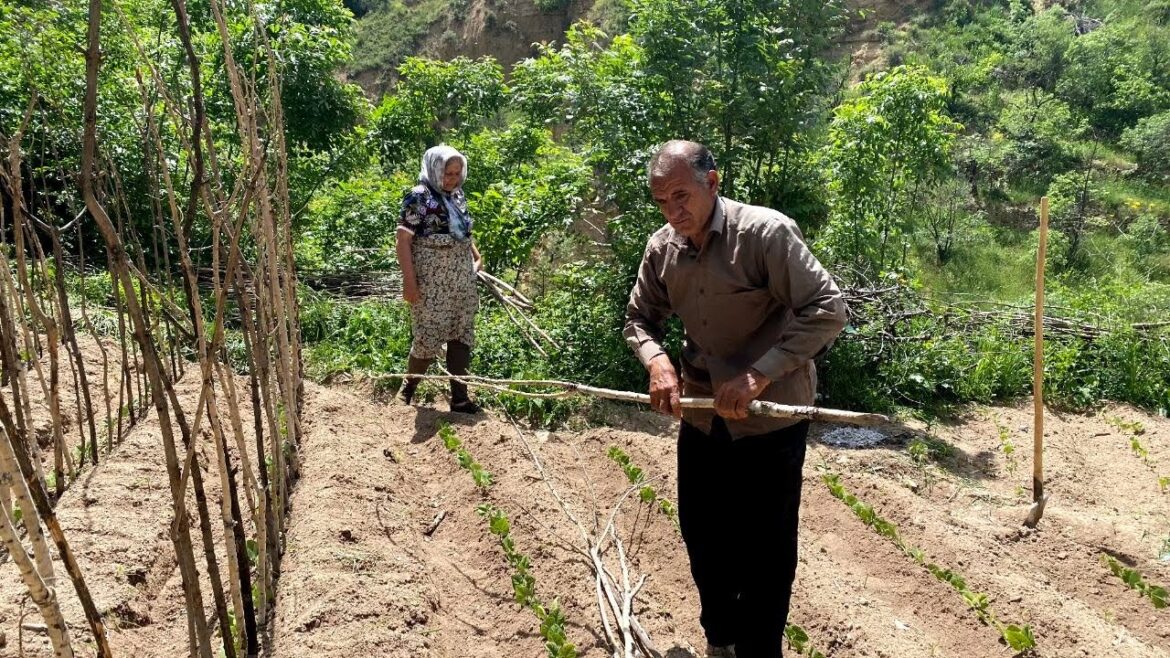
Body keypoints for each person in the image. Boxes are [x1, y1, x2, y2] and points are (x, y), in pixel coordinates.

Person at [624, 140, 847, 658]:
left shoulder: (764, 233)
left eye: (681, 196)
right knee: (704, 535)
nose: (673, 211)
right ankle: (721, 639)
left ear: (713, 182)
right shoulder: (663, 248)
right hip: (703, 415)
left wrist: (757, 375)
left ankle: (760, 649)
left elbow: (827, 309)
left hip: (770, 418)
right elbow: (640, 319)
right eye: (661, 202)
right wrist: (657, 362)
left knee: (765, 548)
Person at [396, 144, 483, 414]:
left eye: (457, 173)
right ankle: (407, 390)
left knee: (462, 334)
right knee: (428, 335)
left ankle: (459, 398)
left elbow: (464, 232)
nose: (452, 179)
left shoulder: (457, 196)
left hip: (461, 280)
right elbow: (403, 241)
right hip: (432, 282)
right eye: (447, 173)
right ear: (434, 169)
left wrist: (476, 257)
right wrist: (409, 283)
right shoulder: (418, 197)